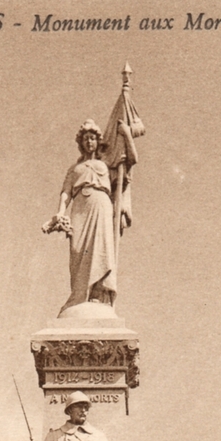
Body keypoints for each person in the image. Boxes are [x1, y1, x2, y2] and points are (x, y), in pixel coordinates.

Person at [44, 119, 138, 313]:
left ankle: (97, 294)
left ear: (97, 141)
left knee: (100, 249)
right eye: (86, 139)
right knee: (78, 252)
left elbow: (132, 159)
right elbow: (66, 193)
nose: (89, 142)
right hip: (80, 209)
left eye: (92, 138)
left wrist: (126, 134)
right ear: (81, 143)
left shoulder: (106, 164)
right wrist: (60, 212)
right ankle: (79, 296)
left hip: (101, 206)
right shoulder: (75, 169)